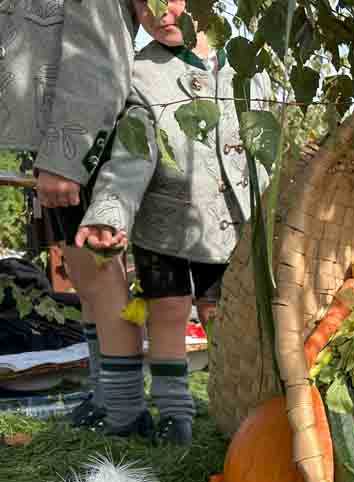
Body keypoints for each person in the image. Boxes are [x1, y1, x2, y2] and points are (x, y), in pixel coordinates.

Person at [76, 0, 270, 446]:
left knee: (223, 313)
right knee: (167, 311)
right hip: (164, 221)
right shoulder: (140, 73)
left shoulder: (247, 63)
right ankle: (174, 412)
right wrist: (109, 211)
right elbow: (131, 154)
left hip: (229, 222)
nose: (158, 10)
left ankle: (236, 406)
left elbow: (266, 137)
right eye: (143, 3)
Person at [0, 0, 139, 428]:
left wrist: (66, 155)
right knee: (84, 273)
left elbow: (100, 57)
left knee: (98, 272)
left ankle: (124, 411)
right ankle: (105, 395)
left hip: (80, 140)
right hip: (56, 139)